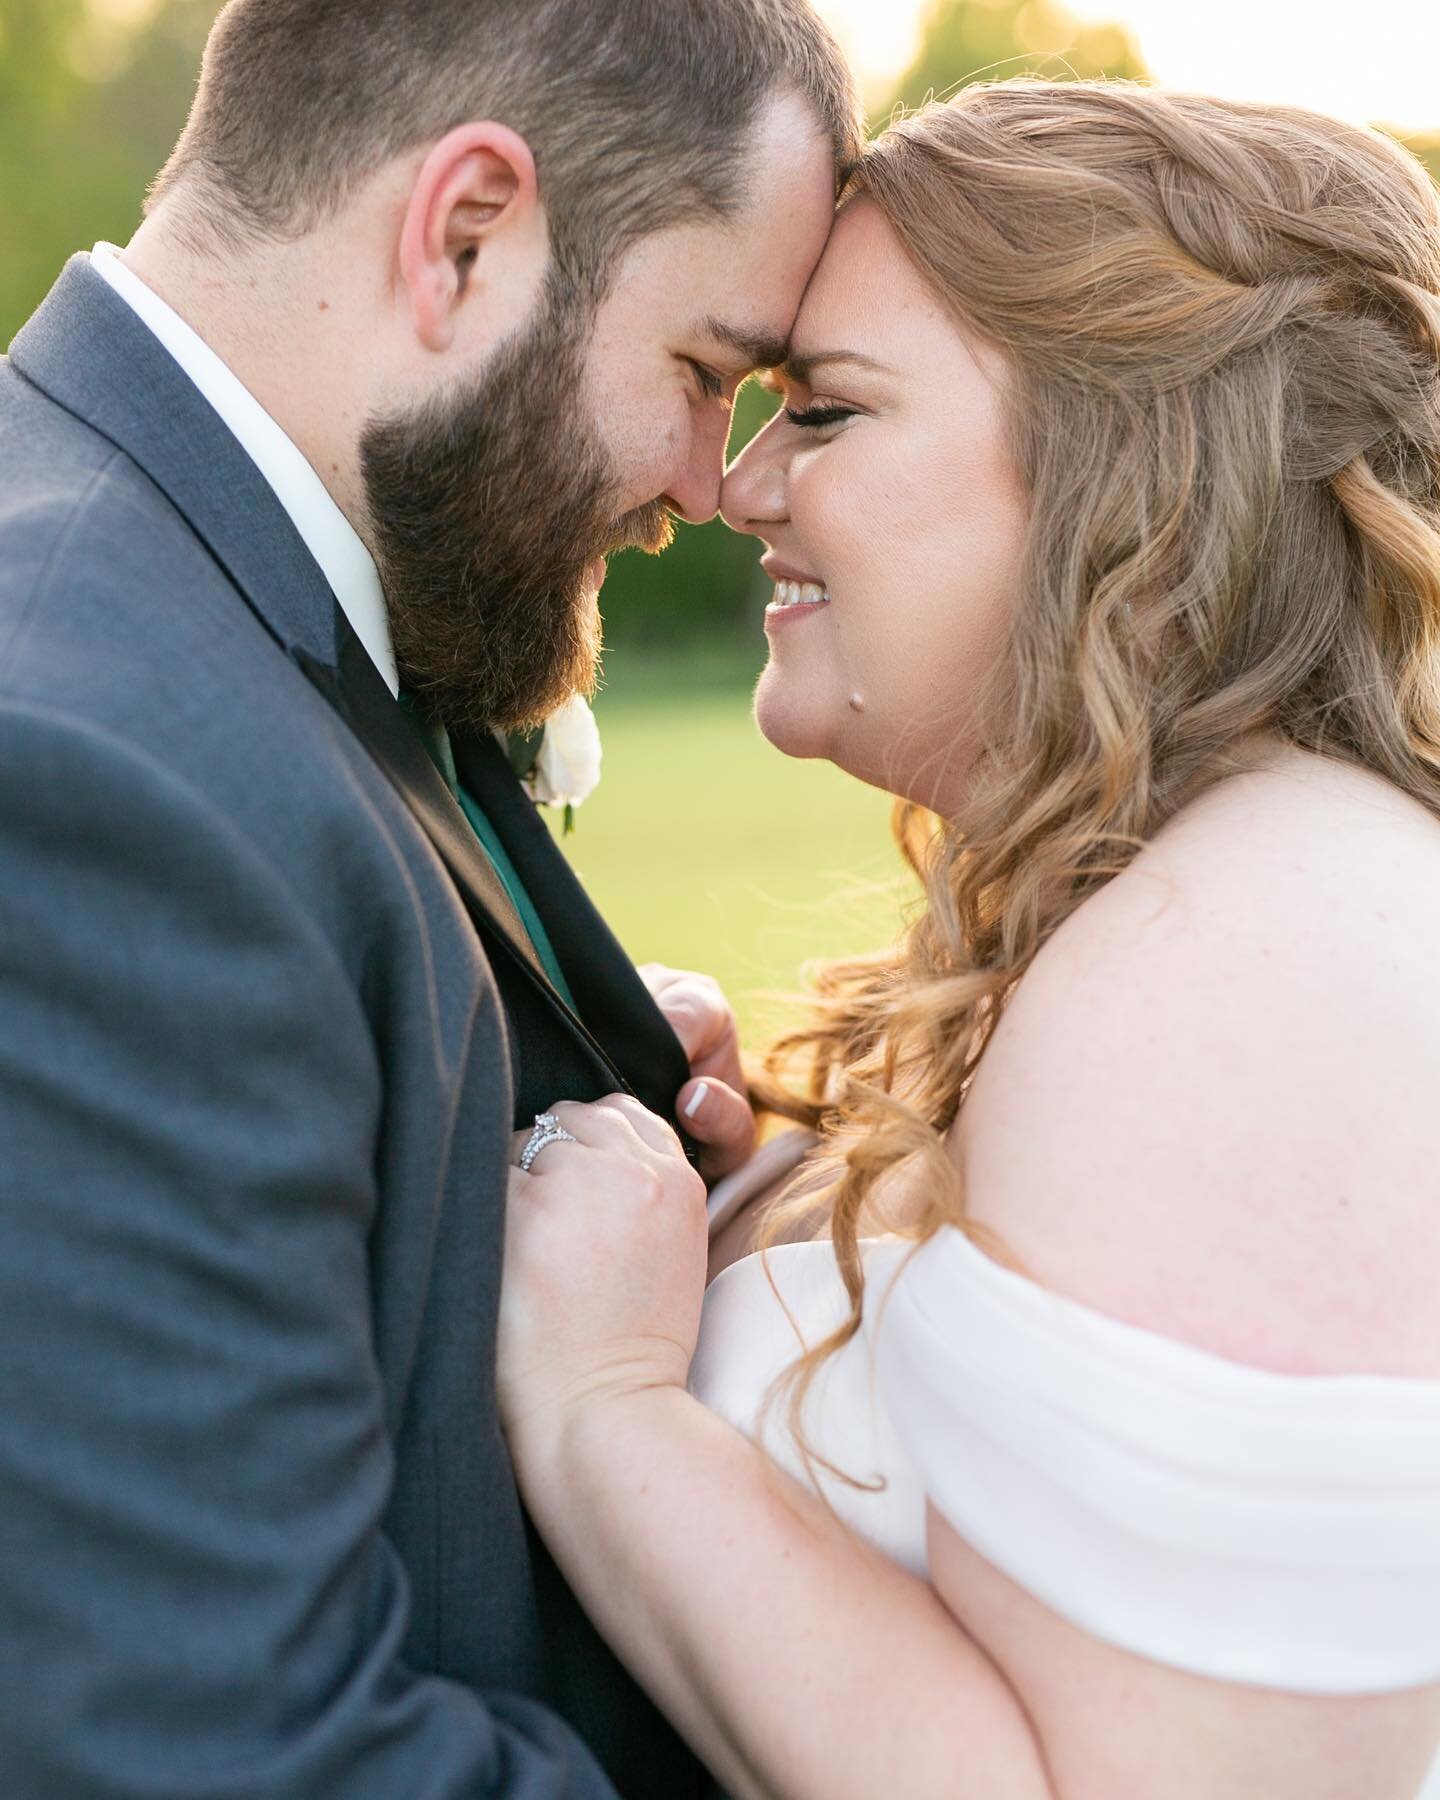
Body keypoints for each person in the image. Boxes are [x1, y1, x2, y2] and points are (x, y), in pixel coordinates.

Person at [497, 82, 1440, 1798]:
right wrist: (765, 1189)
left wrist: (603, 1407)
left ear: (1127, 488)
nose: (741, 482)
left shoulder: (1224, 960)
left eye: (831, 413)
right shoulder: (1214, 905)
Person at [0, 0, 862, 1792]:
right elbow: (225, 1750)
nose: (712, 488)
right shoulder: (77, 767)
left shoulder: (241, 581)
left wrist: (513, 1121)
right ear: (466, 231)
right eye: (707, 372)